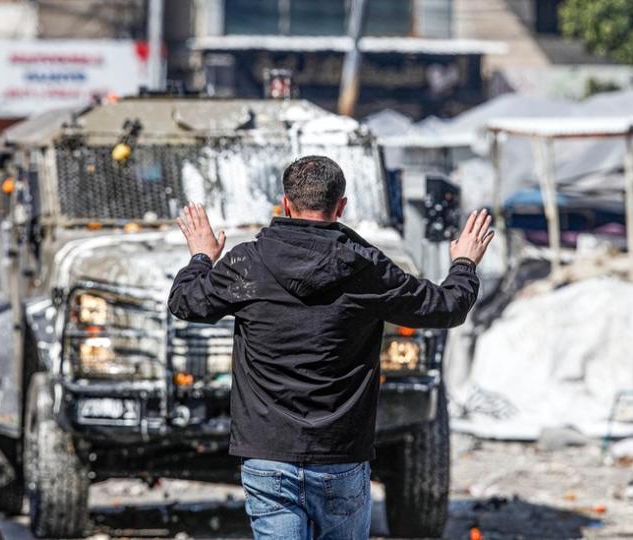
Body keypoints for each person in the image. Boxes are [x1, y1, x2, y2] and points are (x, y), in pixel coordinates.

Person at [168, 155, 494, 539]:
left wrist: (202, 256)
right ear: (341, 206)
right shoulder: (365, 267)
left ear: (285, 203)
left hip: (267, 455)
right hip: (341, 456)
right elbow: (446, 307)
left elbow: (185, 301)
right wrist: (464, 264)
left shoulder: (247, 263)